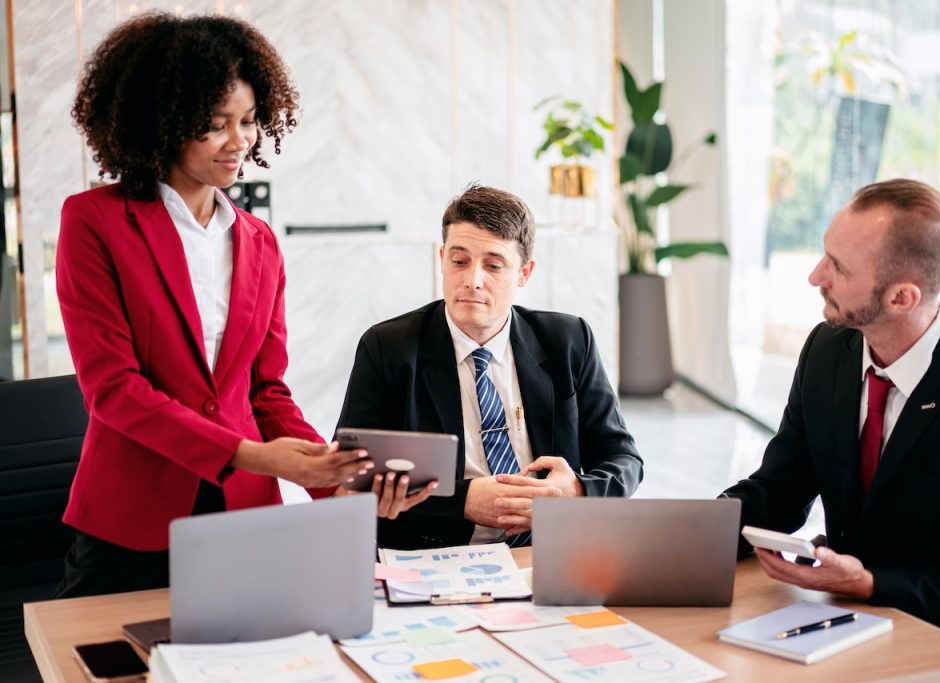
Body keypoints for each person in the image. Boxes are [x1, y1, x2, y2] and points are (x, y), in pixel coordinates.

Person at [54, 12, 383, 597]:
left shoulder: (259, 243)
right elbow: (113, 388)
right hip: (131, 522)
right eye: (215, 124)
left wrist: (337, 481)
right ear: (164, 123)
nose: (240, 141)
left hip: (242, 517)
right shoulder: (96, 222)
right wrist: (255, 456)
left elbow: (266, 391)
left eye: (250, 121)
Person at [721, 178, 940, 656]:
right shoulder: (827, 350)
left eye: (837, 267)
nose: (816, 275)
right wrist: (694, 534)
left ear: (901, 298)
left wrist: (871, 583)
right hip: (836, 623)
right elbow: (780, 489)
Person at [337, 184, 643, 549]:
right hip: (437, 554)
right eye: (459, 260)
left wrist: (575, 490)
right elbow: (352, 480)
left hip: (551, 550)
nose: (472, 280)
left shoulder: (568, 340)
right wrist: (462, 501)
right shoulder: (388, 348)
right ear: (441, 259)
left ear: (524, 272)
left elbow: (624, 459)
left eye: (494, 265)